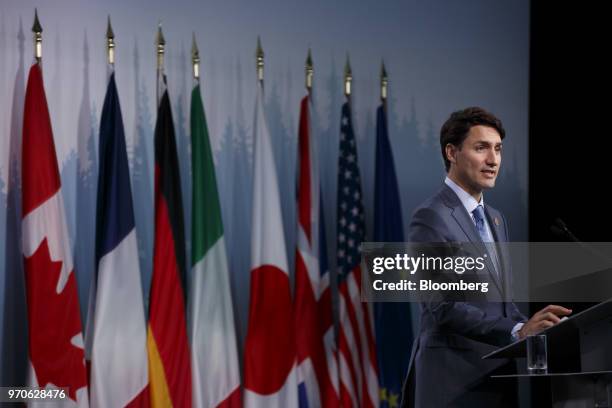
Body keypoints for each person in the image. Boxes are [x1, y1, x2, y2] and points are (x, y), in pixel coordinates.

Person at [400, 107, 572, 407]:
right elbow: (441, 306)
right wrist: (518, 330)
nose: (493, 160)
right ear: (452, 152)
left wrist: (532, 325)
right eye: (481, 148)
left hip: (499, 379)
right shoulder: (430, 216)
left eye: (498, 149)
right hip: (452, 383)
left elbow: (502, 305)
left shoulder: (495, 219)